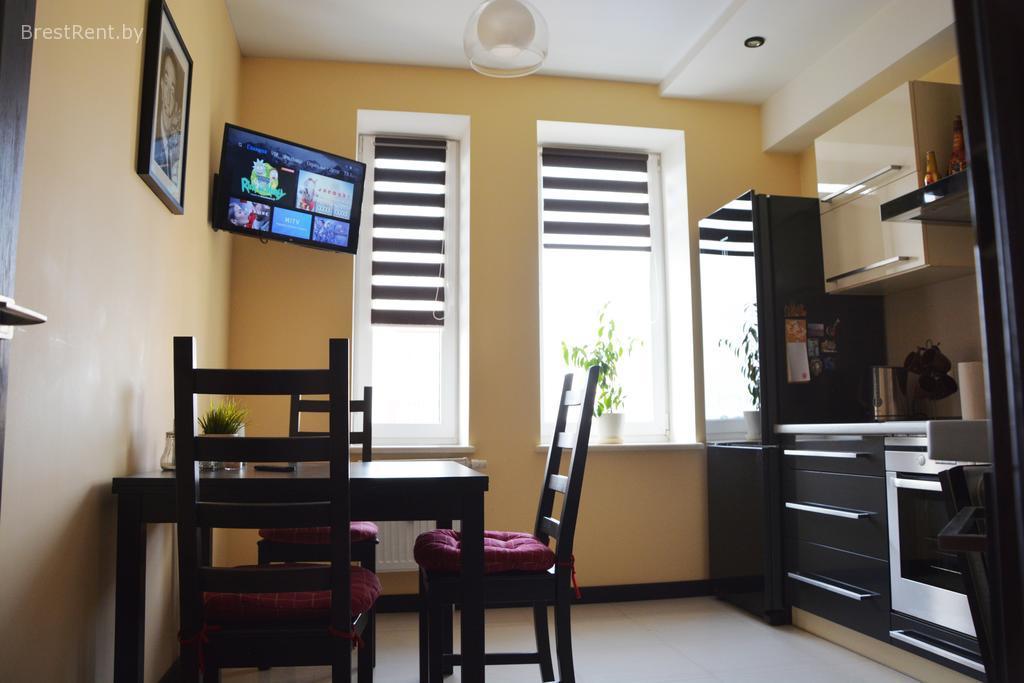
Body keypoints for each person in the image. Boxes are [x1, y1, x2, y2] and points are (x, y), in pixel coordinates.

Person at [153, 47, 183, 186]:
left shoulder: (176, 145)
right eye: (166, 82)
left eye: (172, 89)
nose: (168, 97)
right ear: (160, 84)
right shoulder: (154, 138)